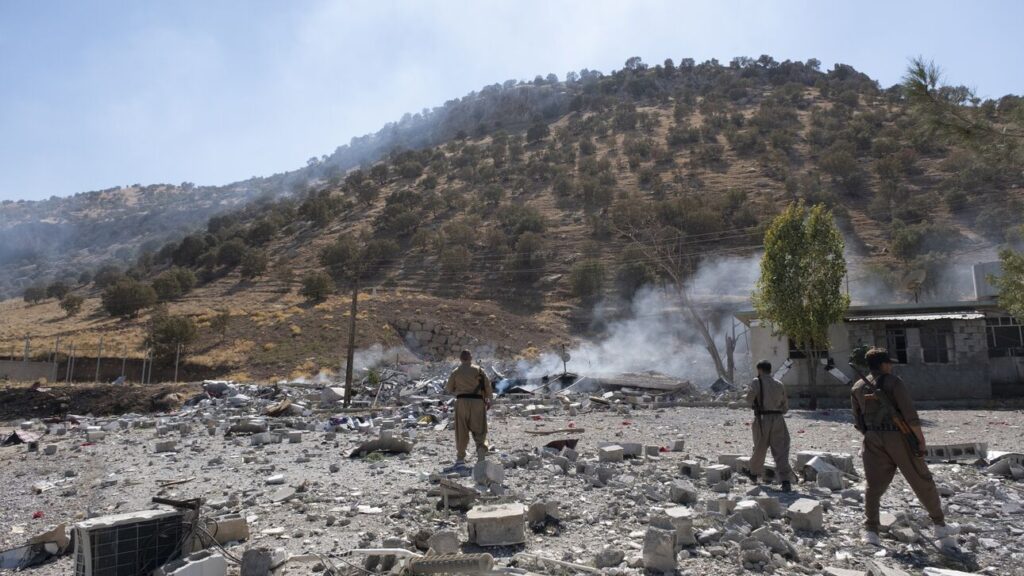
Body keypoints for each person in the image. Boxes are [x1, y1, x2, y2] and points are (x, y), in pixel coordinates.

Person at [851, 347, 957, 549]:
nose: (891, 366)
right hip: (899, 437)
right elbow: (911, 417)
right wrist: (920, 439)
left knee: (873, 487)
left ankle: (871, 531)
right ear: (883, 364)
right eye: (889, 363)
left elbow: (858, 421)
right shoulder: (894, 382)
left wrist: (873, 435)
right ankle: (940, 526)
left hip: (872, 438)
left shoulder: (857, 387)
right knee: (921, 479)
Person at [747, 360, 794, 492]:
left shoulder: (757, 381)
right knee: (781, 449)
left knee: (760, 447)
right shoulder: (779, 384)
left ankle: (754, 473)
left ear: (760, 370)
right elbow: (785, 406)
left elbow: (749, 399)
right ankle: (785, 480)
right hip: (778, 419)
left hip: (763, 418)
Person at [445, 349, 492, 466]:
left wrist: (459, 390)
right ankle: (481, 449)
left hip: (461, 402)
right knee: (480, 428)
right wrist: (489, 399)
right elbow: (488, 386)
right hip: (477, 402)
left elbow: (449, 388)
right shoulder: (479, 370)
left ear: (460, 359)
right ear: (471, 358)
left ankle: (460, 457)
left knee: (462, 429)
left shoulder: (456, 372)